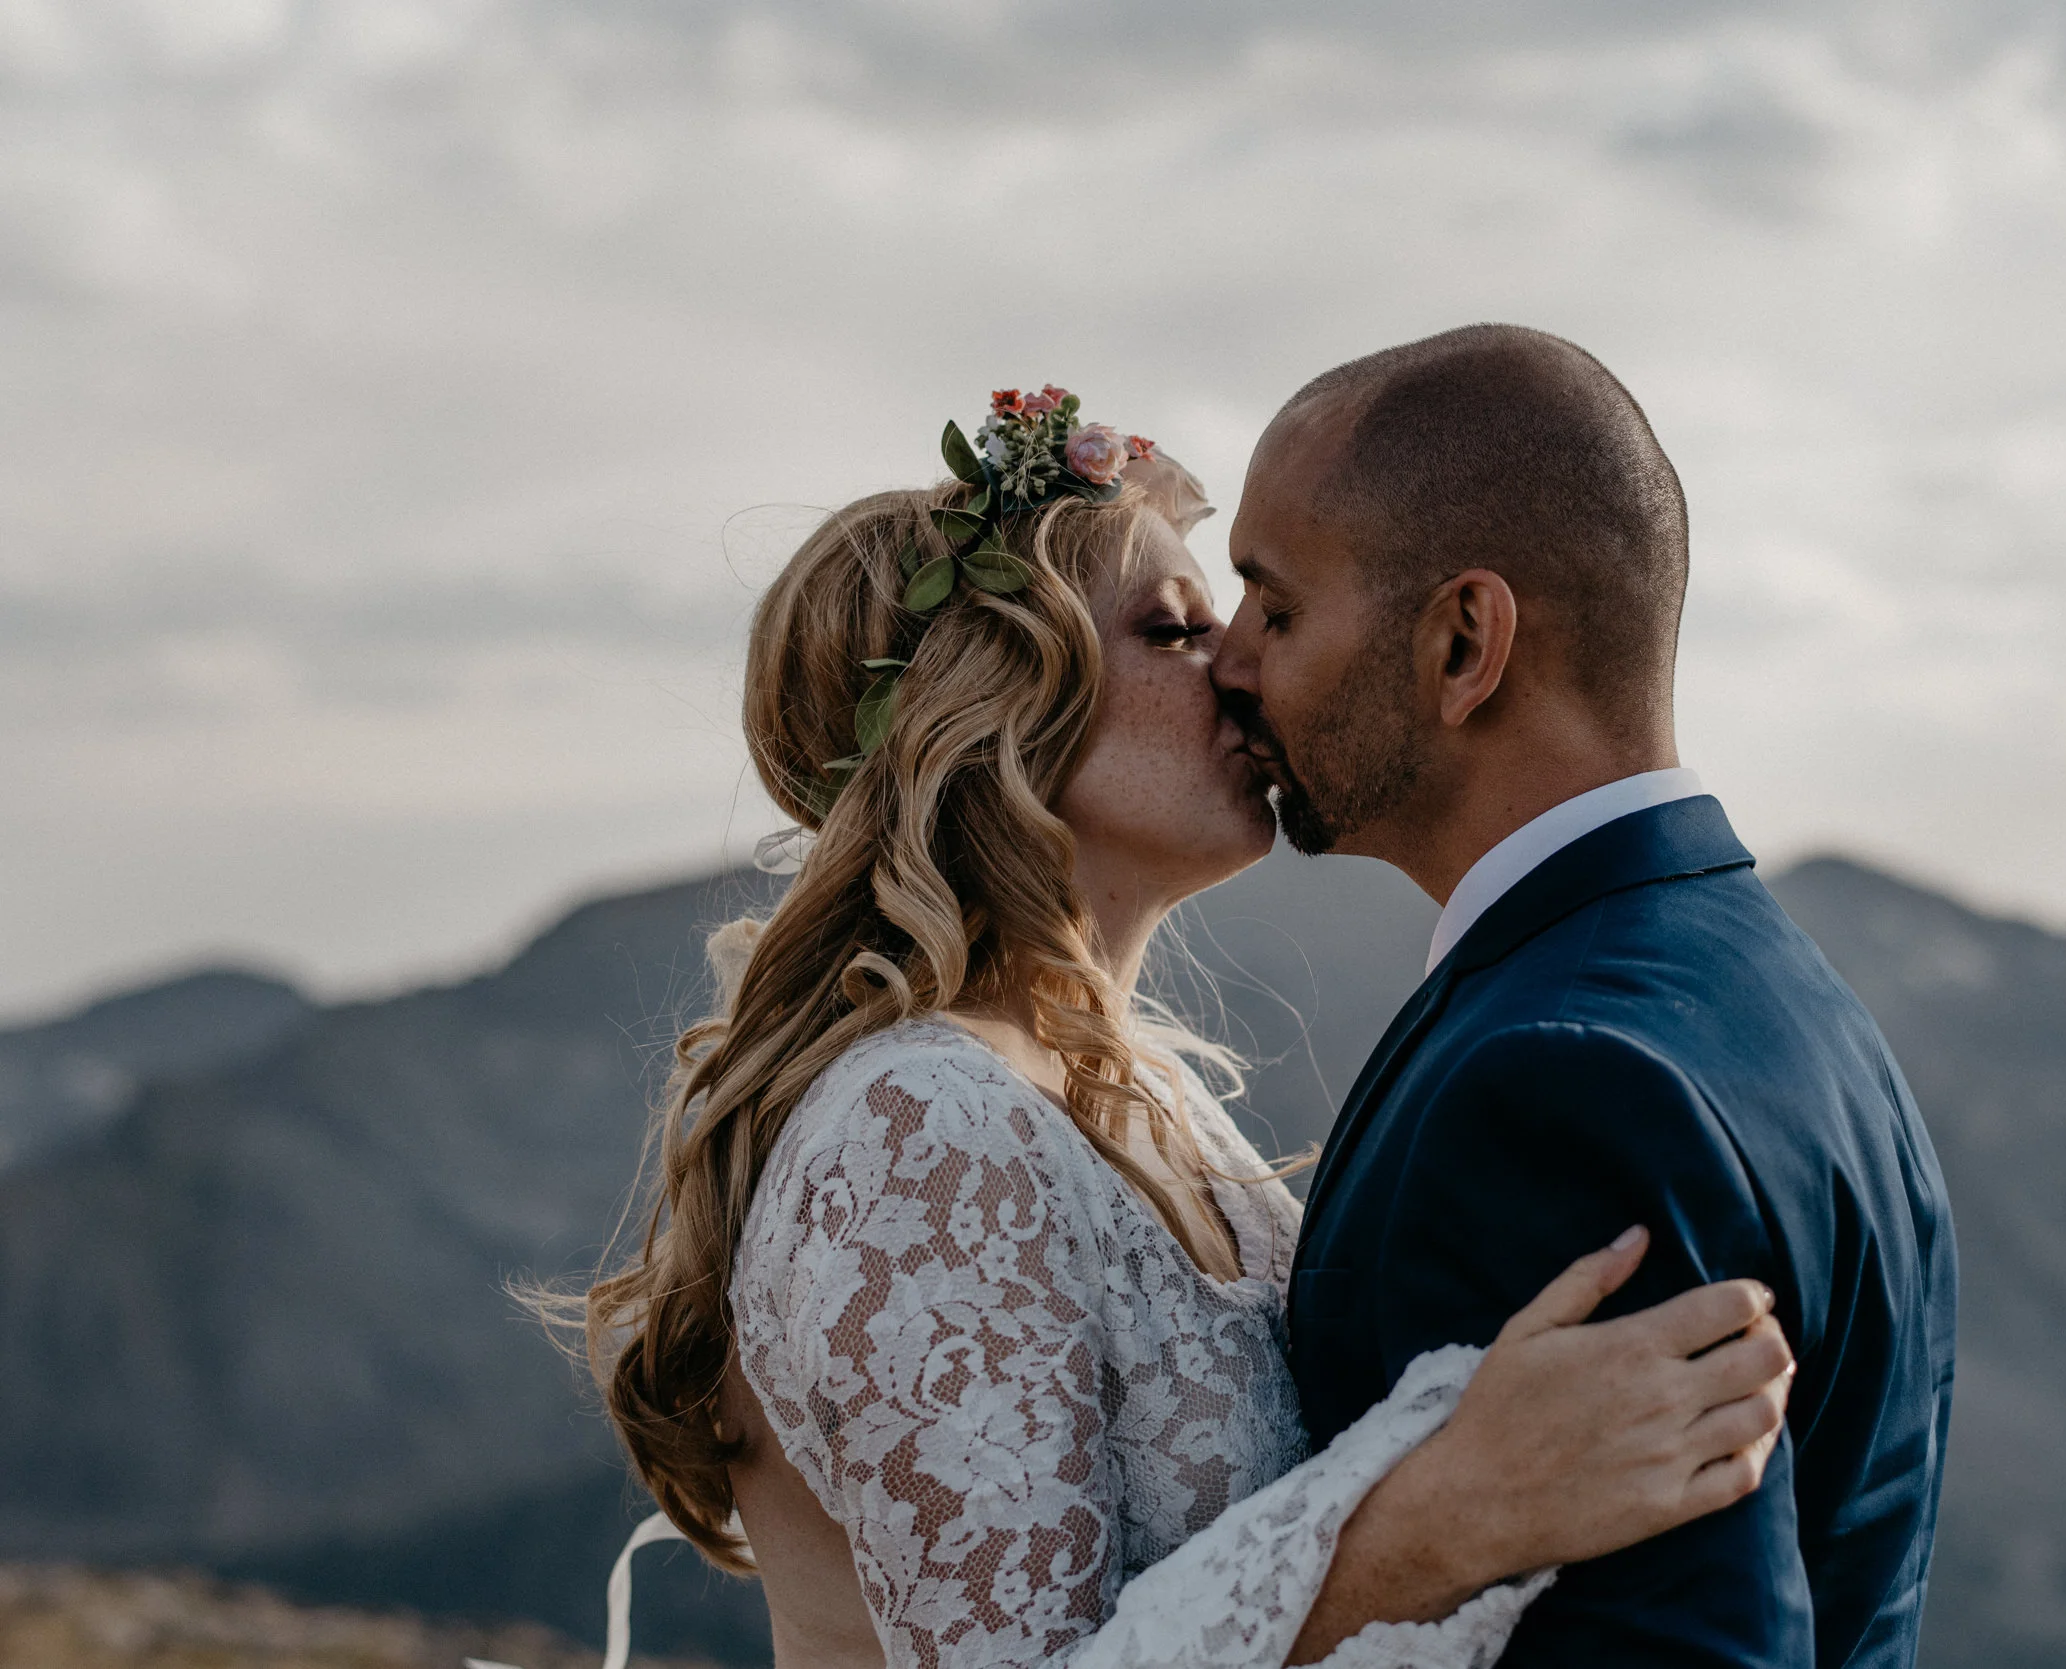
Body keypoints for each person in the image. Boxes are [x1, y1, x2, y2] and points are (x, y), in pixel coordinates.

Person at [568, 386, 1799, 1669]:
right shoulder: (917, 1129)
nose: (1241, 670)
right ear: (997, 709)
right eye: (1173, 630)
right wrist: (1442, 1520)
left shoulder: (1140, 1091)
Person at [1212, 325, 1958, 1668]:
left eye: (1274, 608)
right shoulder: (1786, 995)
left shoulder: (1560, 1089)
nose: (1227, 662)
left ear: (1463, 642)